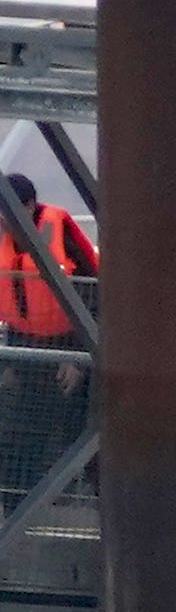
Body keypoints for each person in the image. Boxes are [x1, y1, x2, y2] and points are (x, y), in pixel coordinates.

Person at [0, 173, 97, 507]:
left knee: (69, 424)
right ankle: (14, 504)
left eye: (8, 215)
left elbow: (95, 296)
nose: (4, 223)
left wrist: (80, 358)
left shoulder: (62, 236)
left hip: (69, 343)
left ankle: (64, 497)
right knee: (17, 429)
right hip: (23, 343)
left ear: (28, 207)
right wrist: (9, 361)